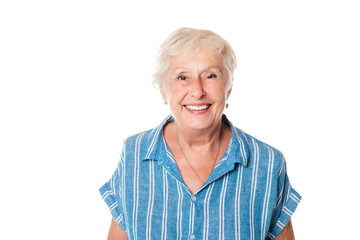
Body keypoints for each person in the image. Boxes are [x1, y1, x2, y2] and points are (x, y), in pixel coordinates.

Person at [99, 28, 301, 240]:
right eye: (182, 77)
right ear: (163, 90)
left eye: (210, 75)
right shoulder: (134, 154)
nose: (197, 90)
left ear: (229, 86)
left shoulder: (267, 164)